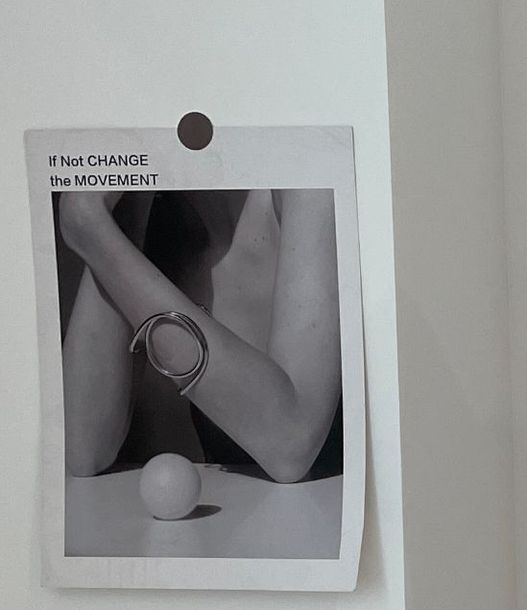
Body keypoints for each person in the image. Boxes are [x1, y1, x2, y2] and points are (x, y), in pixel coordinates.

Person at [57, 186, 343, 484]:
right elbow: (84, 452)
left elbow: (292, 447)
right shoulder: (160, 212)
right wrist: (104, 221)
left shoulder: (305, 188)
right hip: (248, 511)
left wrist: (89, 227)